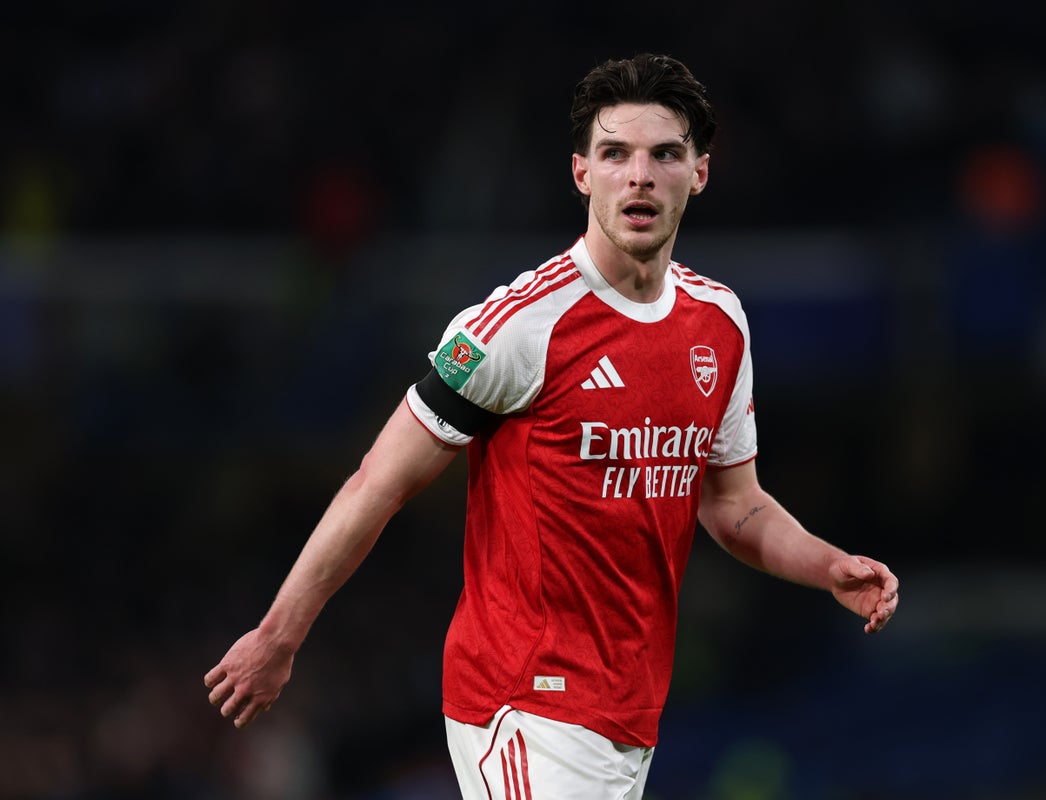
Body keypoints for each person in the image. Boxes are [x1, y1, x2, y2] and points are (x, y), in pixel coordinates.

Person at [205, 52, 899, 799]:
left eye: (665, 154)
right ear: (582, 173)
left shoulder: (719, 323)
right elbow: (378, 481)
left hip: (629, 709)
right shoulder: (518, 327)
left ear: (699, 172)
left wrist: (827, 565)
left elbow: (734, 505)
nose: (639, 176)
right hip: (522, 702)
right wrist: (279, 635)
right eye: (615, 154)